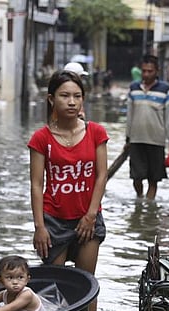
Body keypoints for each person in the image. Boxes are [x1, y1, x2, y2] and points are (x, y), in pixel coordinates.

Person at [28, 70, 109, 292]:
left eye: (77, 96)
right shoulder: (41, 138)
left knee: (87, 285)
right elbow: (36, 185)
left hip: (88, 217)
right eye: (64, 96)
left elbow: (102, 175)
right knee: (54, 288)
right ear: (52, 99)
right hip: (53, 220)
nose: (71, 102)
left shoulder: (96, 132)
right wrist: (39, 227)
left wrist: (91, 215)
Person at [125, 54, 169, 200]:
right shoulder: (134, 88)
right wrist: (127, 138)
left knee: (153, 178)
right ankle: (140, 198)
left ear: (157, 71)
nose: (146, 74)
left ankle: (149, 205)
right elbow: (129, 115)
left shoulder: (165, 89)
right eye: (144, 71)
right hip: (136, 139)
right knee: (136, 176)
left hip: (156, 140)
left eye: (150, 71)